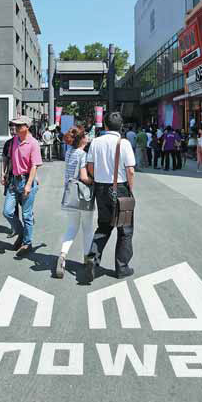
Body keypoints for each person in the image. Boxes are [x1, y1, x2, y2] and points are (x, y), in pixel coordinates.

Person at [85, 112, 135, 282]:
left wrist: (99, 177)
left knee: (104, 226)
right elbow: (130, 170)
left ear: (105, 126)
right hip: (120, 188)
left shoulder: (96, 142)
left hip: (100, 189)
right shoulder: (124, 143)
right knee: (125, 230)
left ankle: (92, 258)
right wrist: (130, 189)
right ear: (121, 126)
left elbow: (90, 166)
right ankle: (122, 267)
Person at [55, 126, 95, 279]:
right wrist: (93, 180)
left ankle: (63, 256)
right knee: (87, 228)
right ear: (82, 139)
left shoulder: (69, 152)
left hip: (70, 194)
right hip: (82, 195)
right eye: (85, 135)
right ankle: (87, 258)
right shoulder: (82, 155)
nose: (87, 137)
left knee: (71, 227)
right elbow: (84, 177)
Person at [2, 116, 42, 256]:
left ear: (27, 127)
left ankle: (27, 243)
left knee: (26, 215)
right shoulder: (13, 141)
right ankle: (22, 233)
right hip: (14, 180)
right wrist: (5, 174)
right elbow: (9, 160)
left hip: (26, 181)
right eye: (15, 125)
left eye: (19, 126)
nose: (16, 128)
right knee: (7, 211)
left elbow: (34, 165)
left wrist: (29, 184)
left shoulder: (33, 143)